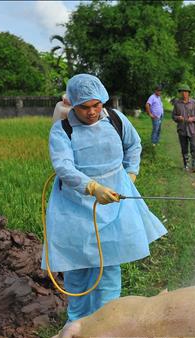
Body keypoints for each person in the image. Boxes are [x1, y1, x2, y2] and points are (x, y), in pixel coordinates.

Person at [42, 74, 167, 322]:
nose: (91, 112)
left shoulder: (116, 119)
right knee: (78, 264)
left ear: (103, 101)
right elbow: (63, 167)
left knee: (109, 262)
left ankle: (106, 321)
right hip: (75, 203)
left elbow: (134, 144)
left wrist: (131, 172)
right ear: (72, 105)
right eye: (84, 107)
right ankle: (77, 321)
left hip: (114, 198)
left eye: (96, 105)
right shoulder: (63, 129)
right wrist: (91, 187)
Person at [171, 84, 195, 172]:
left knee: (193, 147)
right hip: (182, 129)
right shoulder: (177, 104)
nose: (184, 93)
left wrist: (193, 118)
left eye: (186, 92)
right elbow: (173, 116)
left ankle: (194, 165)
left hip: (192, 130)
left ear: (188, 93)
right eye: (182, 92)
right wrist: (178, 118)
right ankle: (186, 165)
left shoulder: (194, 103)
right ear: (180, 93)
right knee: (184, 148)